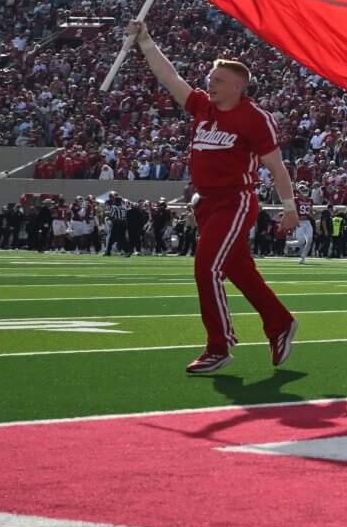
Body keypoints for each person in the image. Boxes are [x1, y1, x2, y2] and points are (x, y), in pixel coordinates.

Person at [125, 19, 300, 375]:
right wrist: (145, 41)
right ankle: (279, 322)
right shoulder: (202, 107)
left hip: (234, 201)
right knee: (240, 271)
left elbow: (277, 167)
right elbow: (170, 78)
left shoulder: (254, 118)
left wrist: (289, 207)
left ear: (238, 86)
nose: (210, 83)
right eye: (210, 79)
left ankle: (218, 346)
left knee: (207, 268)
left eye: (218, 80)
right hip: (205, 203)